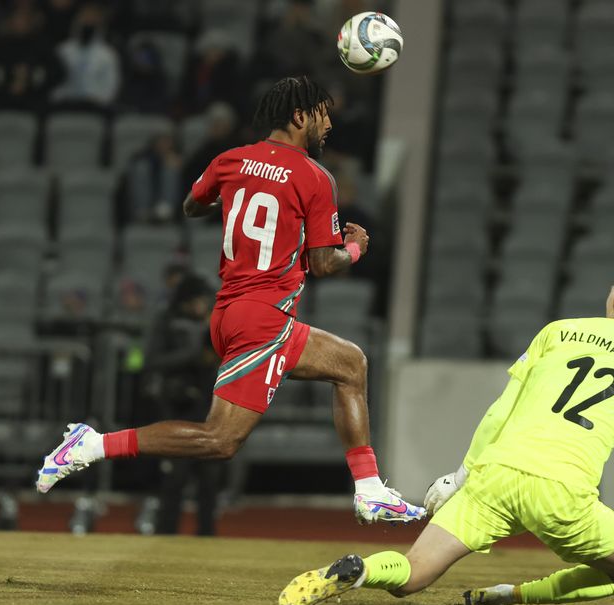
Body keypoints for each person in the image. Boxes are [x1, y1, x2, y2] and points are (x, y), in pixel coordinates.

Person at [36, 76, 425, 525]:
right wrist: (355, 248)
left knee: (350, 364)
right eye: (322, 114)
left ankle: (370, 490)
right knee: (220, 440)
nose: (329, 124)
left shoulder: (231, 159)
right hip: (262, 318)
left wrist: (237, 196)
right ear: (300, 116)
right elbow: (324, 265)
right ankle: (91, 445)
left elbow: (191, 205)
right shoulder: (316, 177)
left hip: (235, 312)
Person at [279, 264, 614, 605]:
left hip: (494, 476)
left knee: (412, 575)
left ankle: (361, 570)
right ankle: (513, 595)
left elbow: (500, 410)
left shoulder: (558, 332)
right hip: (563, 494)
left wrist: (459, 478)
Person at [142, 270, 223, 535]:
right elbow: (151, 361)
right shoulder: (166, 321)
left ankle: (207, 534)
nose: (201, 306)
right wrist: (192, 356)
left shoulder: (213, 322)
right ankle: (166, 534)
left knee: (209, 477)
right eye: (196, 300)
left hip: (208, 407)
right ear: (185, 301)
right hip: (176, 406)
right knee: (175, 477)